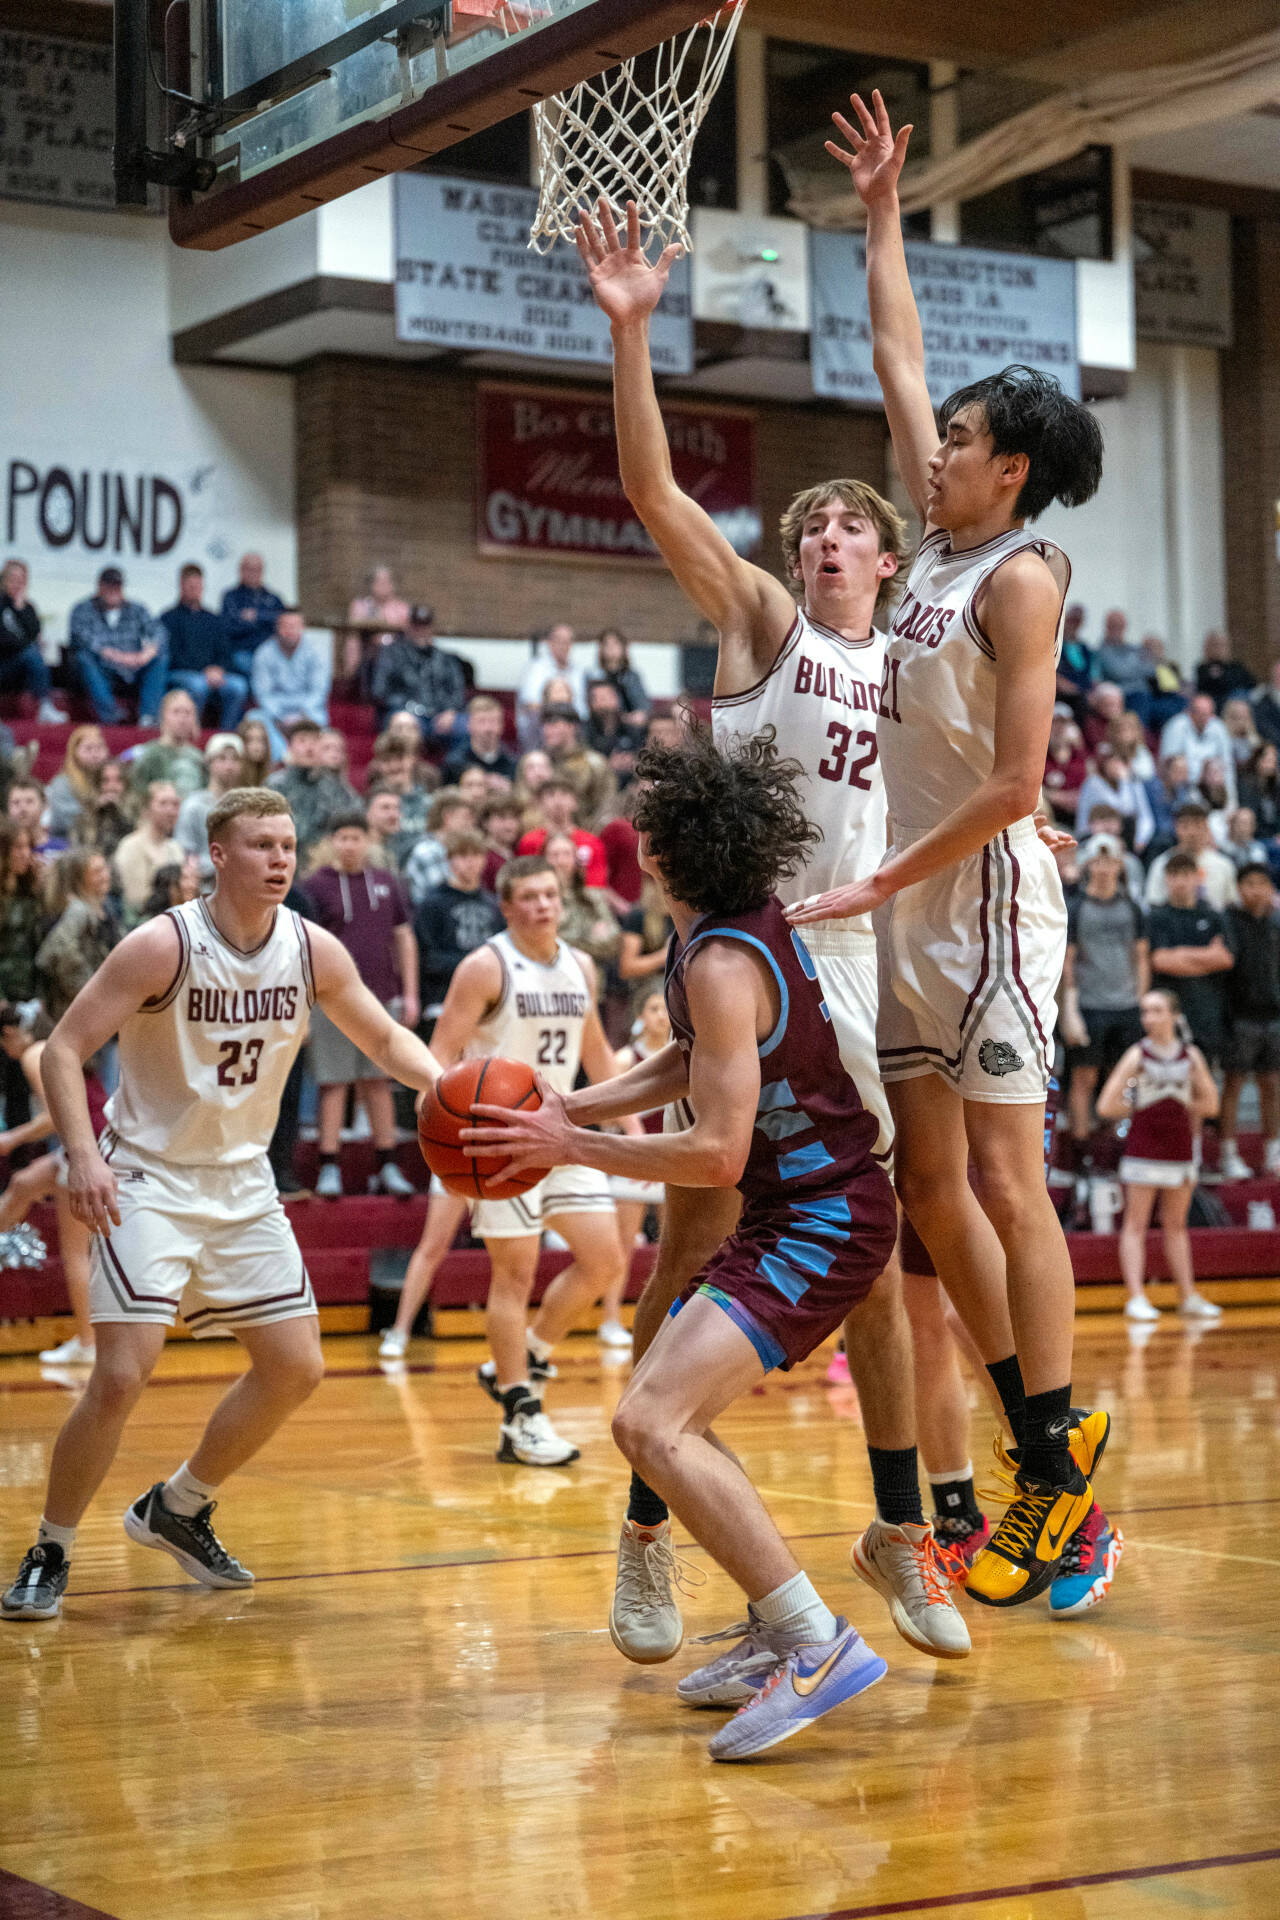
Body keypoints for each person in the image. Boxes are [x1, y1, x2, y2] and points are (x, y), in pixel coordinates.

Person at [575, 193, 969, 1664]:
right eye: (810, 528)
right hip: (752, 952)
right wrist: (633, 333)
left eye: (849, 527)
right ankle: (646, 1532)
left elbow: (901, 363)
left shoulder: (918, 658)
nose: (825, 539)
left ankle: (897, 1528)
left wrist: (882, 226)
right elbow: (651, 490)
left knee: (870, 1256)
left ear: (886, 558)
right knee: (694, 1235)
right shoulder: (762, 624)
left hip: (865, 966)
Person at [790, 91, 1105, 1607]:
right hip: (909, 897)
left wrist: (877, 879)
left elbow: (1019, 783)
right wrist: (879, 211)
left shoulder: (1021, 577)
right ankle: (1042, 1452)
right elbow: (897, 354)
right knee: (926, 1188)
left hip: (977, 894)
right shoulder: (931, 542)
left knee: (999, 1174)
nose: (934, 453)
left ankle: (1057, 1455)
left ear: (1011, 470)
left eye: (962, 444)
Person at [466, 735, 900, 1759]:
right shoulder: (721, 931)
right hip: (800, 1211)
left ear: (662, 851)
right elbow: (690, 1059)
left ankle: (814, 1642)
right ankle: (780, 1631)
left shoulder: (717, 961)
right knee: (662, 1420)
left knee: (650, 1422)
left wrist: (570, 1146)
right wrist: (573, 1104)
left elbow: (715, 1154)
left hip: (822, 1217)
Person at [1, 787, 442, 1622]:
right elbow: (63, 1051)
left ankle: (179, 1505)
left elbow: (384, 1039)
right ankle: (50, 1548)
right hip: (149, 1177)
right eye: (261, 845)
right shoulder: (161, 945)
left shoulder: (311, 948)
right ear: (218, 854)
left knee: (297, 1367)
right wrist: (85, 1156)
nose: (280, 859)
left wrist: (445, 1086)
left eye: (288, 845)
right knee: (120, 1375)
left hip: (242, 1184)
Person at [428, 854, 629, 1466]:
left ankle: (526, 1356)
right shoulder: (484, 967)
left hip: (561, 1131)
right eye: (530, 897)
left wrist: (628, 1122)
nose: (544, 905)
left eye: (551, 895)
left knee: (605, 1260)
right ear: (507, 906)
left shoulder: (580, 965)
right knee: (515, 1276)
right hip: (500, 1143)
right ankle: (521, 1414)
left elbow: (595, 1048)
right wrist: (444, 1136)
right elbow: (439, 1055)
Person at [305, 808, 420, 1199]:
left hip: (381, 997)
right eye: (343, 838)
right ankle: (329, 1165)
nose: (350, 845)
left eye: (357, 837)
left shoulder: (387, 882)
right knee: (334, 1082)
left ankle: (388, 1163)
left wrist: (410, 994)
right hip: (329, 1000)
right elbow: (302, 947)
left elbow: (404, 937)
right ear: (331, 842)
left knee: (379, 1081)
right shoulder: (314, 886)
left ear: (368, 841)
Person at [1096, 990, 1220, 1322]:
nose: (1148, 1017)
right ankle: (1136, 1297)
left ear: (1174, 1016)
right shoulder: (1137, 1054)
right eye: (1145, 1011)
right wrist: (1140, 1102)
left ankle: (1188, 1296)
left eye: (1156, 1010)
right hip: (1143, 1149)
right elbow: (1106, 1106)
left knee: (1176, 1226)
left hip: (1179, 1149)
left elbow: (1211, 1105)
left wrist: (1182, 1098)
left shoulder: (1191, 1056)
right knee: (1135, 1224)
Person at [0, 1003, 101, 1366]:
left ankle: (88, 1344)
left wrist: (11, 1139)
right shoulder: (58, 1047)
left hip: (87, 1151)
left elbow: (54, 1120)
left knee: (76, 1252)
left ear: (10, 1035)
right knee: (23, 1183)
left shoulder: (35, 1054)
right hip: (92, 1144)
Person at [1059, 835, 1148, 1154]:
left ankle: (1118, 1151)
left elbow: (1141, 956)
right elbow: (1067, 961)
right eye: (1098, 861)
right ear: (1088, 865)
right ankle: (1081, 1153)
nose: (1104, 868)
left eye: (1110, 861)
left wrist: (1141, 1002)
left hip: (1127, 1005)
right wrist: (1070, 1009)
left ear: (1120, 865)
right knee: (1083, 1077)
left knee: (1122, 1080)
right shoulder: (1076, 907)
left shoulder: (1132, 907)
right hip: (1089, 1006)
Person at [601, 989, 671, 1349]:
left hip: (672, 1160)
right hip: (634, 1162)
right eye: (652, 1008)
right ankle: (610, 1320)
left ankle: (671, 1323)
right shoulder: (626, 1058)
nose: (660, 1014)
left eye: (665, 1008)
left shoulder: (683, 1055)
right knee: (622, 1248)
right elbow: (606, 1115)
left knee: (674, 1248)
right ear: (640, 1016)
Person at [1145, 850, 1234, 1075]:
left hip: (1207, 1012)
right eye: (1174, 875)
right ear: (1166, 879)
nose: (1180, 881)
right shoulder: (1157, 917)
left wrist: (1179, 954)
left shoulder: (1214, 915)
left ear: (1198, 877)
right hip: (1168, 1014)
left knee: (1203, 1078)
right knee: (1166, 1079)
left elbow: (1225, 958)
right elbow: (1161, 961)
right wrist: (1207, 956)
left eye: (1186, 875)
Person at [1217, 864, 1280, 1180]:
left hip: (1273, 1016)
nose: (1257, 889)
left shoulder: (1276, 923)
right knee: (1234, 1084)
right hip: (1238, 1016)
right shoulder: (1228, 921)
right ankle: (1228, 1153)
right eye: (1250, 883)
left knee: (1272, 1085)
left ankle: (1274, 1154)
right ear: (1239, 888)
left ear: (1271, 888)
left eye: (1262, 883)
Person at [414, 828, 503, 1019]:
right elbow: (427, 958)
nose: (470, 862)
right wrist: (472, 965)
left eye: (476, 855)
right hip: (444, 1001)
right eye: (463, 855)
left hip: (488, 1002)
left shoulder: (493, 905)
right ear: (449, 860)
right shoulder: (433, 903)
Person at [67, 567, 168, 726]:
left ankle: (148, 717)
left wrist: (147, 653)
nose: (113, 590)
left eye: (117, 586)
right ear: (100, 586)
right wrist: (118, 656)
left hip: (133, 668)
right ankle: (111, 716)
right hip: (103, 669)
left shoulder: (137, 609)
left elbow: (159, 632)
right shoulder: (83, 609)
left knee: (160, 657)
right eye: (109, 585)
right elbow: (81, 638)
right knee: (83, 657)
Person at [161, 563, 249, 730]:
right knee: (198, 686)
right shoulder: (168, 618)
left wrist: (219, 669)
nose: (195, 590)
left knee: (239, 686)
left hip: (214, 674)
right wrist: (205, 671)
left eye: (198, 586)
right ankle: (192, 731)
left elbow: (225, 652)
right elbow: (173, 656)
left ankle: (226, 733)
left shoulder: (213, 619)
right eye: (190, 586)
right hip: (181, 673)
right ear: (181, 586)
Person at [36, 852, 121, 1024]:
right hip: (79, 1013)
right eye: (97, 872)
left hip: (99, 1010)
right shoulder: (78, 910)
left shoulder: (105, 907)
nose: (105, 875)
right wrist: (89, 990)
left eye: (105, 868)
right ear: (79, 879)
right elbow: (57, 951)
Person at [370, 605, 467, 742]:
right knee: (404, 725)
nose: (420, 631)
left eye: (425, 626)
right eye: (416, 626)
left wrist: (450, 711)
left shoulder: (445, 659)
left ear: (431, 628)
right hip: (406, 712)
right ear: (408, 626)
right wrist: (408, 708)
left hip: (440, 714)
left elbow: (457, 692)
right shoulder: (391, 655)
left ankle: (456, 757)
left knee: (466, 726)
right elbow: (379, 690)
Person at [249, 609, 331, 765]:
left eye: (294, 626)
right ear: (277, 628)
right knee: (255, 718)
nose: (289, 631)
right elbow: (262, 693)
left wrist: (301, 715)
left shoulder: (317, 651)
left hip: (306, 709)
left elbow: (319, 691)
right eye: (285, 626)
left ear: (303, 627)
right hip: (276, 710)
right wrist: (280, 716)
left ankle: (314, 761)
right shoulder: (264, 652)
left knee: (320, 718)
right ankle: (283, 758)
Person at [265, 718, 354, 858]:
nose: (309, 748)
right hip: (284, 858)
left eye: (314, 741)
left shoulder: (334, 786)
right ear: (289, 747)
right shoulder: (275, 786)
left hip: (324, 860)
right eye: (302, 741)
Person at [544, 828, 621, 981]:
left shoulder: (593, 896)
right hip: (549, 976)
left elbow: (615, 942)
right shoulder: (539, 899)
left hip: (590, 978)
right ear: (544, 860)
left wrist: (563, 941)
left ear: (575, 859)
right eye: (554, 855)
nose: (560, 861)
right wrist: (590, 939)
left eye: (566, 854)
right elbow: (542, 944)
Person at [0, 558, 63, 723]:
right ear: (4, 580)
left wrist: (20, 608)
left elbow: (35, 632)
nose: (16, 584)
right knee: (30, 652)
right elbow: (4, 640)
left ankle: (45, 706)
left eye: (21, 580)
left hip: (19, 666)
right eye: (13, 579)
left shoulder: (27, 607)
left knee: (34, 654)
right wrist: (26, 643)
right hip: (3, 662)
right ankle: (45, 704)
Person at [1145, 800, 1239, 911]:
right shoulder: (1162, 864)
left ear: (1207, 828)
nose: (1192, 832)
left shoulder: (1223, 865)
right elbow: (1154, 903)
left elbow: (1232, 904)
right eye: (1185, 826)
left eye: (1197, 825)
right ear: (1176, 828)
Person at [176, 734, 247, 881]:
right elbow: (185, 853)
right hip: (203, 884)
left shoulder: (247, 807)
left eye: (235, 759)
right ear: (209, 762)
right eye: (222, 758)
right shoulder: (193, 805)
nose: (229, 766)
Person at [515, 775, 608, 885]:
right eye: (551, 794)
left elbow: (596, 884)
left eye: (564, 793)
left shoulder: (591, 843)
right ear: (539, 803)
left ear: (575, 801)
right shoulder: (529, 842)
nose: (558, 801)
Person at [113, 782, 184, 922]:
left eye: (175, 804)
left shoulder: (175, 847)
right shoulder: (131, 846)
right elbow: (136, 900)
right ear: (146, 809)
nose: (171, 811)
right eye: (163, 804)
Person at [403, 788, 477, 907]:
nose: (471, 824)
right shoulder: (427, 851)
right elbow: (444, 900)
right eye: (466, 817)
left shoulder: (453, 850)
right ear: (448, 816)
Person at [516, 623, 587, 747]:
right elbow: (530, 704)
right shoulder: (535, 668)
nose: (564, 645)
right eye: (559, 640)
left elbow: (582, 710)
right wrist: (558, 717)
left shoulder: (578, 671)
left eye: (568, 641)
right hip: (538, 735)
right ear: (549, 643)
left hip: (574, 733)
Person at [1160, 694, 1237, 807]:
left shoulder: (1219, 727)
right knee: (1180, 765)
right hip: (1182, 789)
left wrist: (1232, 803)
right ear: (1189, 712)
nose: (1203, 718)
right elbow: (1167, 765)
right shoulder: (1176, 726)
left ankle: (1219, 806)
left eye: (1207, 714)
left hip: (1210, 789)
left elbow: (1228, 766)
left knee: (1215, 767)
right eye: (1199, 713)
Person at [128, 689, 205, 801]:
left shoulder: (198, 758)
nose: (182, 719)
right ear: (163, 715)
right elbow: (135, 794)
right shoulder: (149, 755)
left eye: (188, 713)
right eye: (176, 712)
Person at [221, 553, 285, 675]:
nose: (253, 573)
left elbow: (282, 620)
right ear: (241, 570)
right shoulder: (231, 597)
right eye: (249, 569)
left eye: (257, 569)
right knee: (255, 667)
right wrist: (265, 624)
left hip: (271, 651)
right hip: (243, 651)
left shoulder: (273, 598)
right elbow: (229, 627)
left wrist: (257, 616)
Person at [46, 727, 110, 840]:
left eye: (99, 748)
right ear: (74, 752)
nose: (95, 754)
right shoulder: (62, 782)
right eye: (88, 749)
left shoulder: (111, 780)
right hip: (66, 840)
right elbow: (66, 819)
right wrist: (96, 809)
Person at [441, 693, 518, 786]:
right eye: (481, 722)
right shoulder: (454, 764)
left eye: (493, 721)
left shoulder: (512, 762)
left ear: (502, 725)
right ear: (469, 725)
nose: (488, 728)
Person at [595, 629, 649, 728]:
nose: (611, 648)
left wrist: (636, 716)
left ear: (623, 648)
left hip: (630, 724)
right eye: (606, 644)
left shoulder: (632, 677)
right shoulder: (595, 676)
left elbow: (642, 705)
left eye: (615, 643)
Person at [1196, 630, 1254, 710]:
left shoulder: (1237, 667)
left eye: (1222, 645)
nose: (1219, 649)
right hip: (1213, 704)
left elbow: (1251, 683)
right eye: (1215, 645)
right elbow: (1207, 686)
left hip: (1234, 704)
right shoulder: (1203, 668)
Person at [236, 716, 274, 787]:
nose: (257, 747)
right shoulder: (234, 776)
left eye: (261, 740)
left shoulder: (272, 777)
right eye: (250, 740)